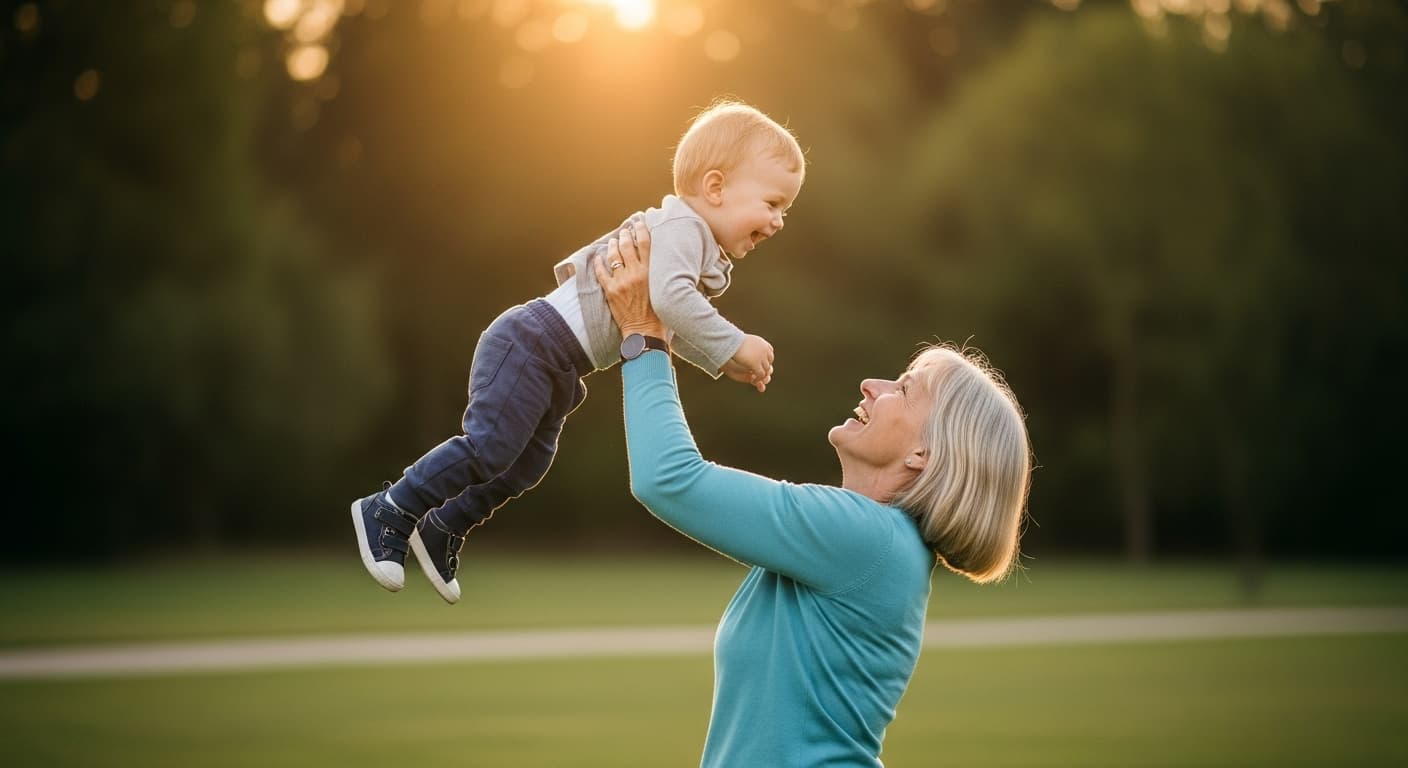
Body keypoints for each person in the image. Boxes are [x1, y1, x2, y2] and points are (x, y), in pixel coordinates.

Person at [593, 217, 1033, 767]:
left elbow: (668, 479)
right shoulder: (863, 541)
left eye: (904, 390)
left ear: (926, 455)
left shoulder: (865, 540)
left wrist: (645, 335)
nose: (872, 385)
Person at [350, 100, 805, 604]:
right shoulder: (683, 230)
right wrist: (736, 343)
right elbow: (674, 301)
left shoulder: (691, 241)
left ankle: (443, 529)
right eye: (773, 202)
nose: (780, 220)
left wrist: (722, 360)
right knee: (491, 446)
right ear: (716, 188)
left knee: (527, 465)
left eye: (785, 208)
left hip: (558, 362)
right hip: (533, 341)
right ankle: (391, 507)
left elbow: (664, 317)